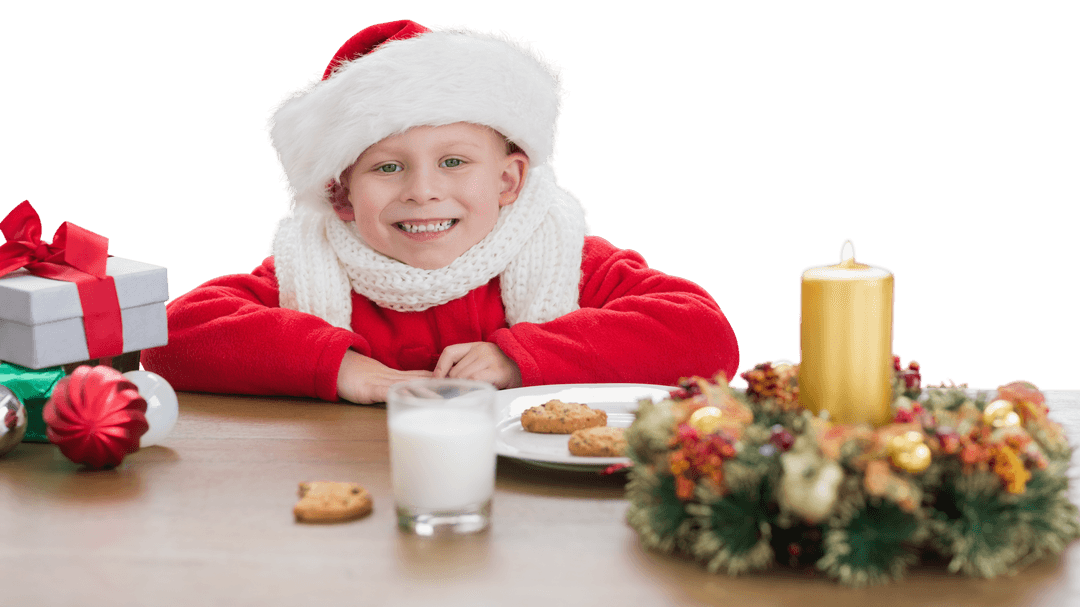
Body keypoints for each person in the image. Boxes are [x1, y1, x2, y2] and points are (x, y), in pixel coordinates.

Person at [141, 19, 739, 404]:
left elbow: (704, 337)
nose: (423, 191)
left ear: (508, 179)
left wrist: (518, 356)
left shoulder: (558, 252)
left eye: (454, 162)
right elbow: (170, 339)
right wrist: (341, 368)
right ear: (341, 195)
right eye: (387, 167)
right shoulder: (313, 267)